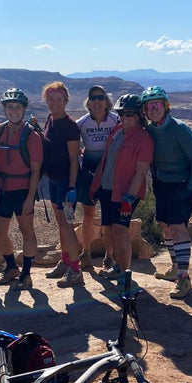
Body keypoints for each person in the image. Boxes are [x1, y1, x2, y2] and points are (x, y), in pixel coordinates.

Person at [141, 85, 192, 299]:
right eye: (150, 106)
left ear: (165, 106)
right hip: (162, 183)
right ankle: (175, 267)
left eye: (157, 104)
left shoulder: (179, 128)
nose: (154, 109)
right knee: (165, 226)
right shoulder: (150, 130)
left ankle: (184, 278)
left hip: (182, 184)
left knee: (178, 227)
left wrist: (191, 188)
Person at [89, 94, 153, 291]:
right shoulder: (118, 131)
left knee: (120, 229)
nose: (125, 117)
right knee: (109, 228)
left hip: (125, 193)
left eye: (129, 114)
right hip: (107, 188)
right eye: (121, 113)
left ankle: (126, 273)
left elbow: (141, 172)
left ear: (139, 115)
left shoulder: (144, 139)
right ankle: (117, 265)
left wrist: (129, 198)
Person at [0, 88, 43, 290]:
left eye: (18, 107)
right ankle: (12, 267)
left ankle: (27, 274)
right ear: (4, 109)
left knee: (26, 231)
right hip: (2, 190)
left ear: (24, 110)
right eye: (10, 107)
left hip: (23, 190)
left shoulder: (32, 136)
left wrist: (30, 198)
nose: (14, 110)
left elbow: (36, 171)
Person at [41, 81, 84, 288]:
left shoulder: (70, 126)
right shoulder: (50, 119)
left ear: (66, 100)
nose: (55, 103)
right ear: (46, 101)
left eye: (59, 99)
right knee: (61, 224)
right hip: (53, 180)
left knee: (67, 226)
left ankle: (76, 270)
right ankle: (66, 261)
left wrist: (72, 187)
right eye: (51, 99)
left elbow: (74, 159)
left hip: (67, 183)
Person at [76, 85, 119, 271]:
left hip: (110, 173)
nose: (96, 101)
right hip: (89, 172)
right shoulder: (82, 123)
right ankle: (85, 253)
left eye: (101, 97)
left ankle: (109, 257)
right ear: (88, 101)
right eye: (93, 97)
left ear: (106, 101)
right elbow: (72, 145)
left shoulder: (116, 120)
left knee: (108, 218)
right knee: (88, 214)